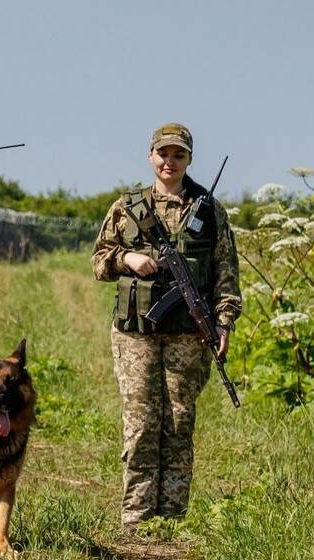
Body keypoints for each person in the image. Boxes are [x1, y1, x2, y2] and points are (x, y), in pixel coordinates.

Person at [90, 123, 241, 532]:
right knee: (140, 422)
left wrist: (223, 321)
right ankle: (137, 516)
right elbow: (99, 261)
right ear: (150, 157)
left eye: (178, 155)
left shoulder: (208, 211)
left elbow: (226, 273)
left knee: (178, 420)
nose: (169, 162)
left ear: (189, 159)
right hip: (135, 333)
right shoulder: (128, 206)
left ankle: (171, 515)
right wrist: (128, 260)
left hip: (188, 336)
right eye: (163, 154)